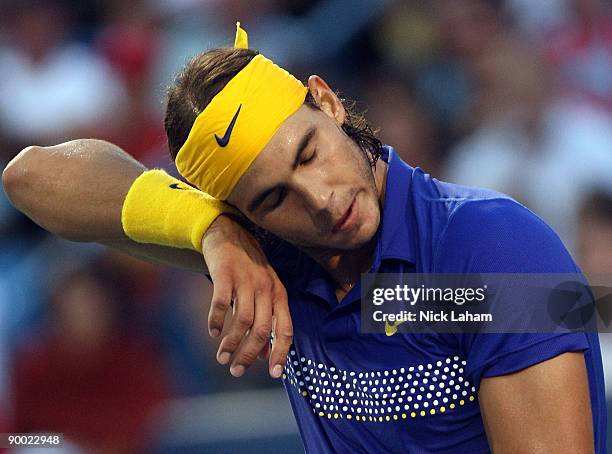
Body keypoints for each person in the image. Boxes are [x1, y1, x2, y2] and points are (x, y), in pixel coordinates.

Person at [2, 23, 606, 453]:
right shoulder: (266, 251)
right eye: (272, 198)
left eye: (309, 153)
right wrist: (210, 229)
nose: (319, 200)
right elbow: (30, 177)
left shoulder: (496, 250)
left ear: (327, 101)